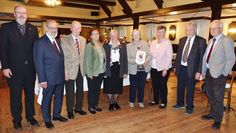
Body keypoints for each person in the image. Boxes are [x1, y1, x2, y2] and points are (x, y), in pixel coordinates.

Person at [0, 6, 39, 129]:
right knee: (15, 96)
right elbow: (2, 49)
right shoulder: (6, 28)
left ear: (27, 14)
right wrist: (5, 67)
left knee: (30, 95)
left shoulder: (33, 28)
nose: (22, 15)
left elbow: (36, 50)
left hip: (30, 70)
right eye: (19, 12)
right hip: (14, 70)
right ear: (14, 14)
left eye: (24, 13)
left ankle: (30, 116)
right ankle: (16, 119)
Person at [201, 20, 235, 129]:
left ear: (221, 29)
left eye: (214, 28)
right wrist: (204, 70)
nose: (212, 30)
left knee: (218, 98)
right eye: (211, 28)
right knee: (210, 95)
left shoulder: (226, 40)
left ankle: (218, 119)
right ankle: (212, 113)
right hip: (209, 72)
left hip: (219, 74)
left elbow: (231, 59)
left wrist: (224, 73)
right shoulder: (211, 40)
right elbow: (207, 56)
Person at [34, 20, 68, 129]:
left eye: (56, 28)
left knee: (59, 97)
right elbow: (38, 62)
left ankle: (57, 115)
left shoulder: (57, 41)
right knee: (47, 100)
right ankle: (47, 119)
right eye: (52, 28)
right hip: (48, 78)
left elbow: (60, 59)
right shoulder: (40, 42)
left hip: (60, 76)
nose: (54, 30)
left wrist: (65, 73)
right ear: (46, 29)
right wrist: (42, 79)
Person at [173, 21, 207, 115]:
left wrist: (199, 71)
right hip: (181, 68)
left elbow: (202, 58)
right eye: (187, 30)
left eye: (191, 29)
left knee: (190, 89)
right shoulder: (182, 40)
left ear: (195, 30)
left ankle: (189, 107)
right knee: (180, 87)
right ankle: (180, 103)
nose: (189, 31)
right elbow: (179, 55)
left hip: (192, 70)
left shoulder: (201, 41)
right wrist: (175, 67)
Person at [61, 21, 87, 119]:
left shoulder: (83, 40)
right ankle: (69, 110)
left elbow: (83, 56)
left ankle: (78, 108)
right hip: (69, 70)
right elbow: (63, 58)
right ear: (71, 28)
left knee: (80, 90)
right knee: (70, 91)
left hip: (80, 69)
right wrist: (65, 72)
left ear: (81, 29)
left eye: (78, 28)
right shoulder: (64, 40)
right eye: (74, 28)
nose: (77, 30)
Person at [103, 30, 128, 111]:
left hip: (119, 68)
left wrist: (125, 71)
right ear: (110, 36)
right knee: (109, 87)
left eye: (115, 34)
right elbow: (103, 60)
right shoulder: (106, 46)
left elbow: (125, 59)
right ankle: (110, 103)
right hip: (109, 68)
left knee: (117, 87)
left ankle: (116, 102)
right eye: (111, 35)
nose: (113, 36)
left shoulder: (123, 46)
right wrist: (104, 71)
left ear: (117, 35)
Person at [149, 26, 173, 109]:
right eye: (158, 32)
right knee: (155, 84)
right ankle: (155, 100)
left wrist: (165, 69)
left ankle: (163, 101)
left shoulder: (167, 42)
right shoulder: (153, 42)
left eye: (162, 32)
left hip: (163, 68)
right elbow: (150, 54)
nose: (159, 34)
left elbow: (170, 57)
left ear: (164, 33)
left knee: (162, 85)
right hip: (153, 67)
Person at [127, 29, 151, 108]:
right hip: (133, 69)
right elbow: (127, 59)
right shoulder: (128, 46)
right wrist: (135, 61)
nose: (136, 36)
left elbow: (149, 55)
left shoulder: (145, 44)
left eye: (137, 34)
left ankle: (140, 101)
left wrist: (146, 61)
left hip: (143, 69)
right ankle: (131, 101)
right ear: (132, 36)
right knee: (133, 86)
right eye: (134, 35)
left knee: (141, 86)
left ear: (140, 35)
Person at [84, 29, 106, 114]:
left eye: (97, 33)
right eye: (93, 34)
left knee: (97, 89)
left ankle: (95, 105)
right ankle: (90, 106)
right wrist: (89, 74)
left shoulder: (100, 44)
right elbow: (87, 61)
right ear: (90, 36)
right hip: (92, 72)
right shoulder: (89, 46)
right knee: (92, 90)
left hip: (100, 72)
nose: (96, 35)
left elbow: (103, 58)